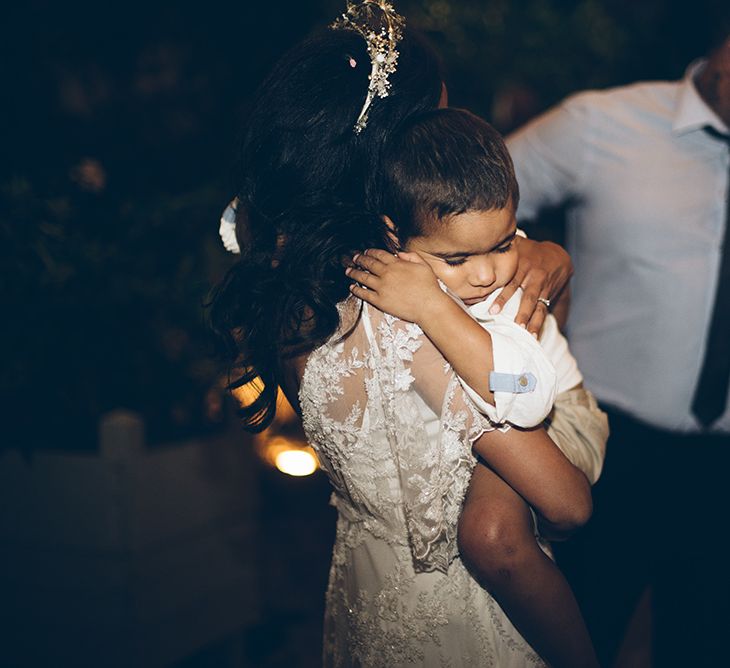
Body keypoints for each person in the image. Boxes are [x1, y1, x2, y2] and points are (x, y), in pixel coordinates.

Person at [210, 2, 587, 665]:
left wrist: (546, 257)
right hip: (471, 624)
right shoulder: (424, 319)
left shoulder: (287, 295)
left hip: (364, 596)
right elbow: (562, 501)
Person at [347, 106, 607, 665]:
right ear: (394, 235)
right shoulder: (407, 257)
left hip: (563, 411)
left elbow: (528, 392)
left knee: (490, 535)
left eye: (504, 243)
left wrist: (433, 307)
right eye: (458, 259)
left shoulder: (498, 290)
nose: (487, 273)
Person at [505, 29, 730, 667]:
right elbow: (454, 204)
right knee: (576, 637)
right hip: (609, 450)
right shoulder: (601, 123)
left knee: (707, 648)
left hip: (725, 473)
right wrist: (540, 256)